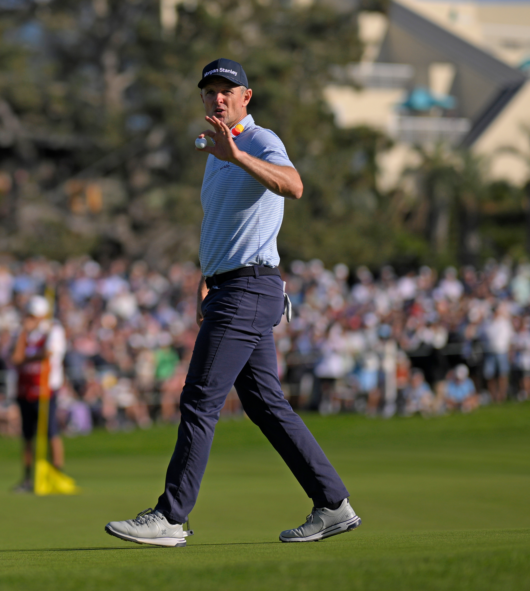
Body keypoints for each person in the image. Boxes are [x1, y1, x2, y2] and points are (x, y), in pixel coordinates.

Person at [105, 59, 359, 547]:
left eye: (228, 90)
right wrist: (207, 279)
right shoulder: (215, 155)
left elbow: (294, 185)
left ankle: (170, 518)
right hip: (232, 287)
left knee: (200, 398)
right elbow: (225, 226)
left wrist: (239, 154)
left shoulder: (260, 141)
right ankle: (332, 504)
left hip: (249, 290)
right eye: (210, 91)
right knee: (266, 405)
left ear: (247, 96)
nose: (218, 97)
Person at [11, 295, 67, 493]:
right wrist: (23, 334)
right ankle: (28, 478)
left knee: (51, 431)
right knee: (27, 435)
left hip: (46, 388)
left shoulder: (54, 330)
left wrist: (28, 356)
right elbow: (15, 357)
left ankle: (56, 473)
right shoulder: (24, 333)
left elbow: (47, 354)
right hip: (25, 388)